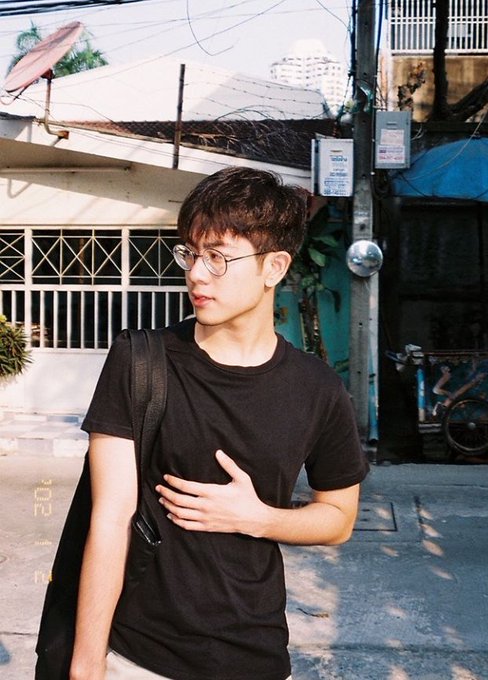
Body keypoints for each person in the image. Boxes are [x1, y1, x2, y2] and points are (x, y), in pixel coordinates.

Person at [70, 166, 369, 680]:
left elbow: (339, 518)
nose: (196, 274)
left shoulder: (317, 387)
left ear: (274, 267)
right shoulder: (140, 362)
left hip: (254, 655)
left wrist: (258, 518)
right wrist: (86, 661)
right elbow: (110, 517)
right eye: (190, 253)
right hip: (137, 657)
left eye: (217, 257)